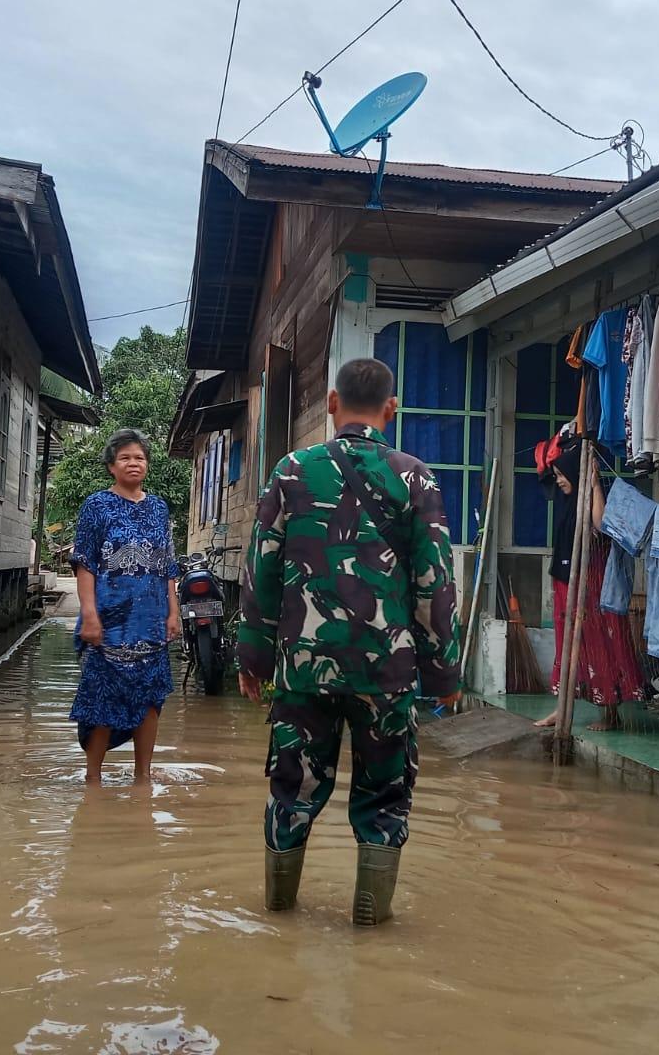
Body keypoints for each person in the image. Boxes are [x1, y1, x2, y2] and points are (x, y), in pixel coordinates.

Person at [237, 357, 461, 928]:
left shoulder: (290, 470)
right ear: (392, 409)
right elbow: (435, 582)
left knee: (292, 789)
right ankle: (369, 923)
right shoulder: (416, 478)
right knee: (385, 795)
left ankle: (279, 915)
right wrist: (443, 674)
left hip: (303, 668)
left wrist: (255, 657)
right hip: (386, 672)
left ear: (332, 404)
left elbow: (260, 570)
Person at [69, 428, 179, 785]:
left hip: (150, 620)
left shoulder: (159, 508)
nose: (134, 463)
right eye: (126, 458)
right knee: (101, 699)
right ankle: (93, 777)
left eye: (140, 457)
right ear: (112, 466)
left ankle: (143, 778)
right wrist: (89, 614)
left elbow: (168, 565)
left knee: (150, 698)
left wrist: (173, 612)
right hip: (108, 619)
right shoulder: (96, 506)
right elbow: (84, 563)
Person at [533, 442, 644, 732]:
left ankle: (610, 713)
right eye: (556, 474)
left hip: (591, 585)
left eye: (562, 475)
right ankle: (562, 709)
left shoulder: (590, 501)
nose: (558, 480)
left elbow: (599, 523)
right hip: (565, 583)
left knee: (599, 644)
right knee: (568, 647)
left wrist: (594, 484)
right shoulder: (566, 504)